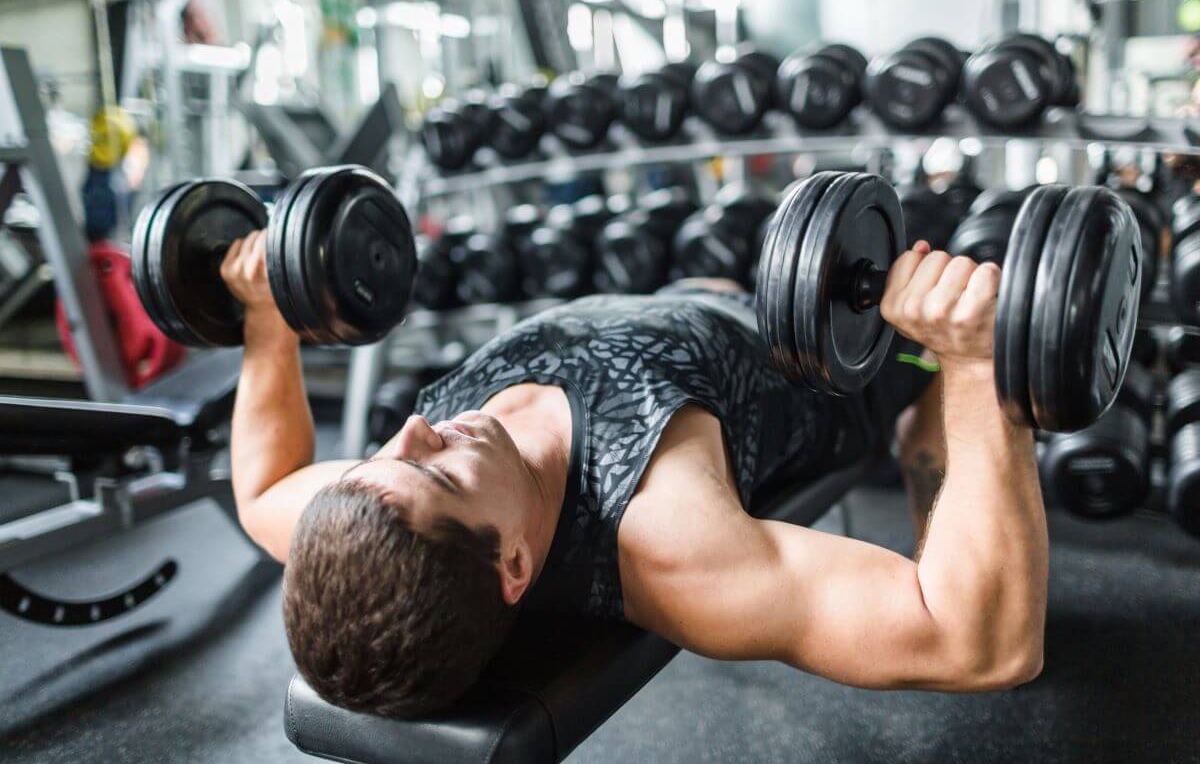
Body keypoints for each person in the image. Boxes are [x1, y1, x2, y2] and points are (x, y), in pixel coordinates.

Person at [220, 226, 1046, 719]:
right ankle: (928, 429)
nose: (414, 430)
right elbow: (979, 647)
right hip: (839, 342)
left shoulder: (362, 514)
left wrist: (266, 320)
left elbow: (261, 488)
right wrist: (972, 364)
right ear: (513, 562)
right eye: (438, 475)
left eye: (381, 459)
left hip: (693, 285)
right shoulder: (666, 538)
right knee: (967, 288)